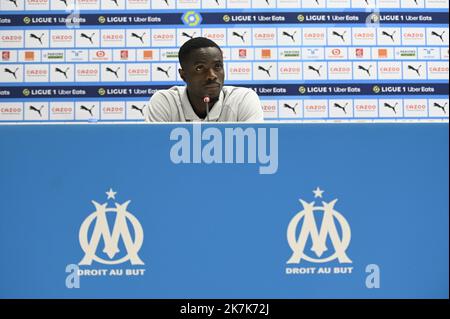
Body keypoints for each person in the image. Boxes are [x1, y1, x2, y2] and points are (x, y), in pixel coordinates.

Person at [144, 37, 264, 122]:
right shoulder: (165, 102)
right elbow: (155, 152)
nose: (212, 75)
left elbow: (252, 151)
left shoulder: (242, 100)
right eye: (200, 68)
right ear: (183, 75)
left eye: (218, 66)